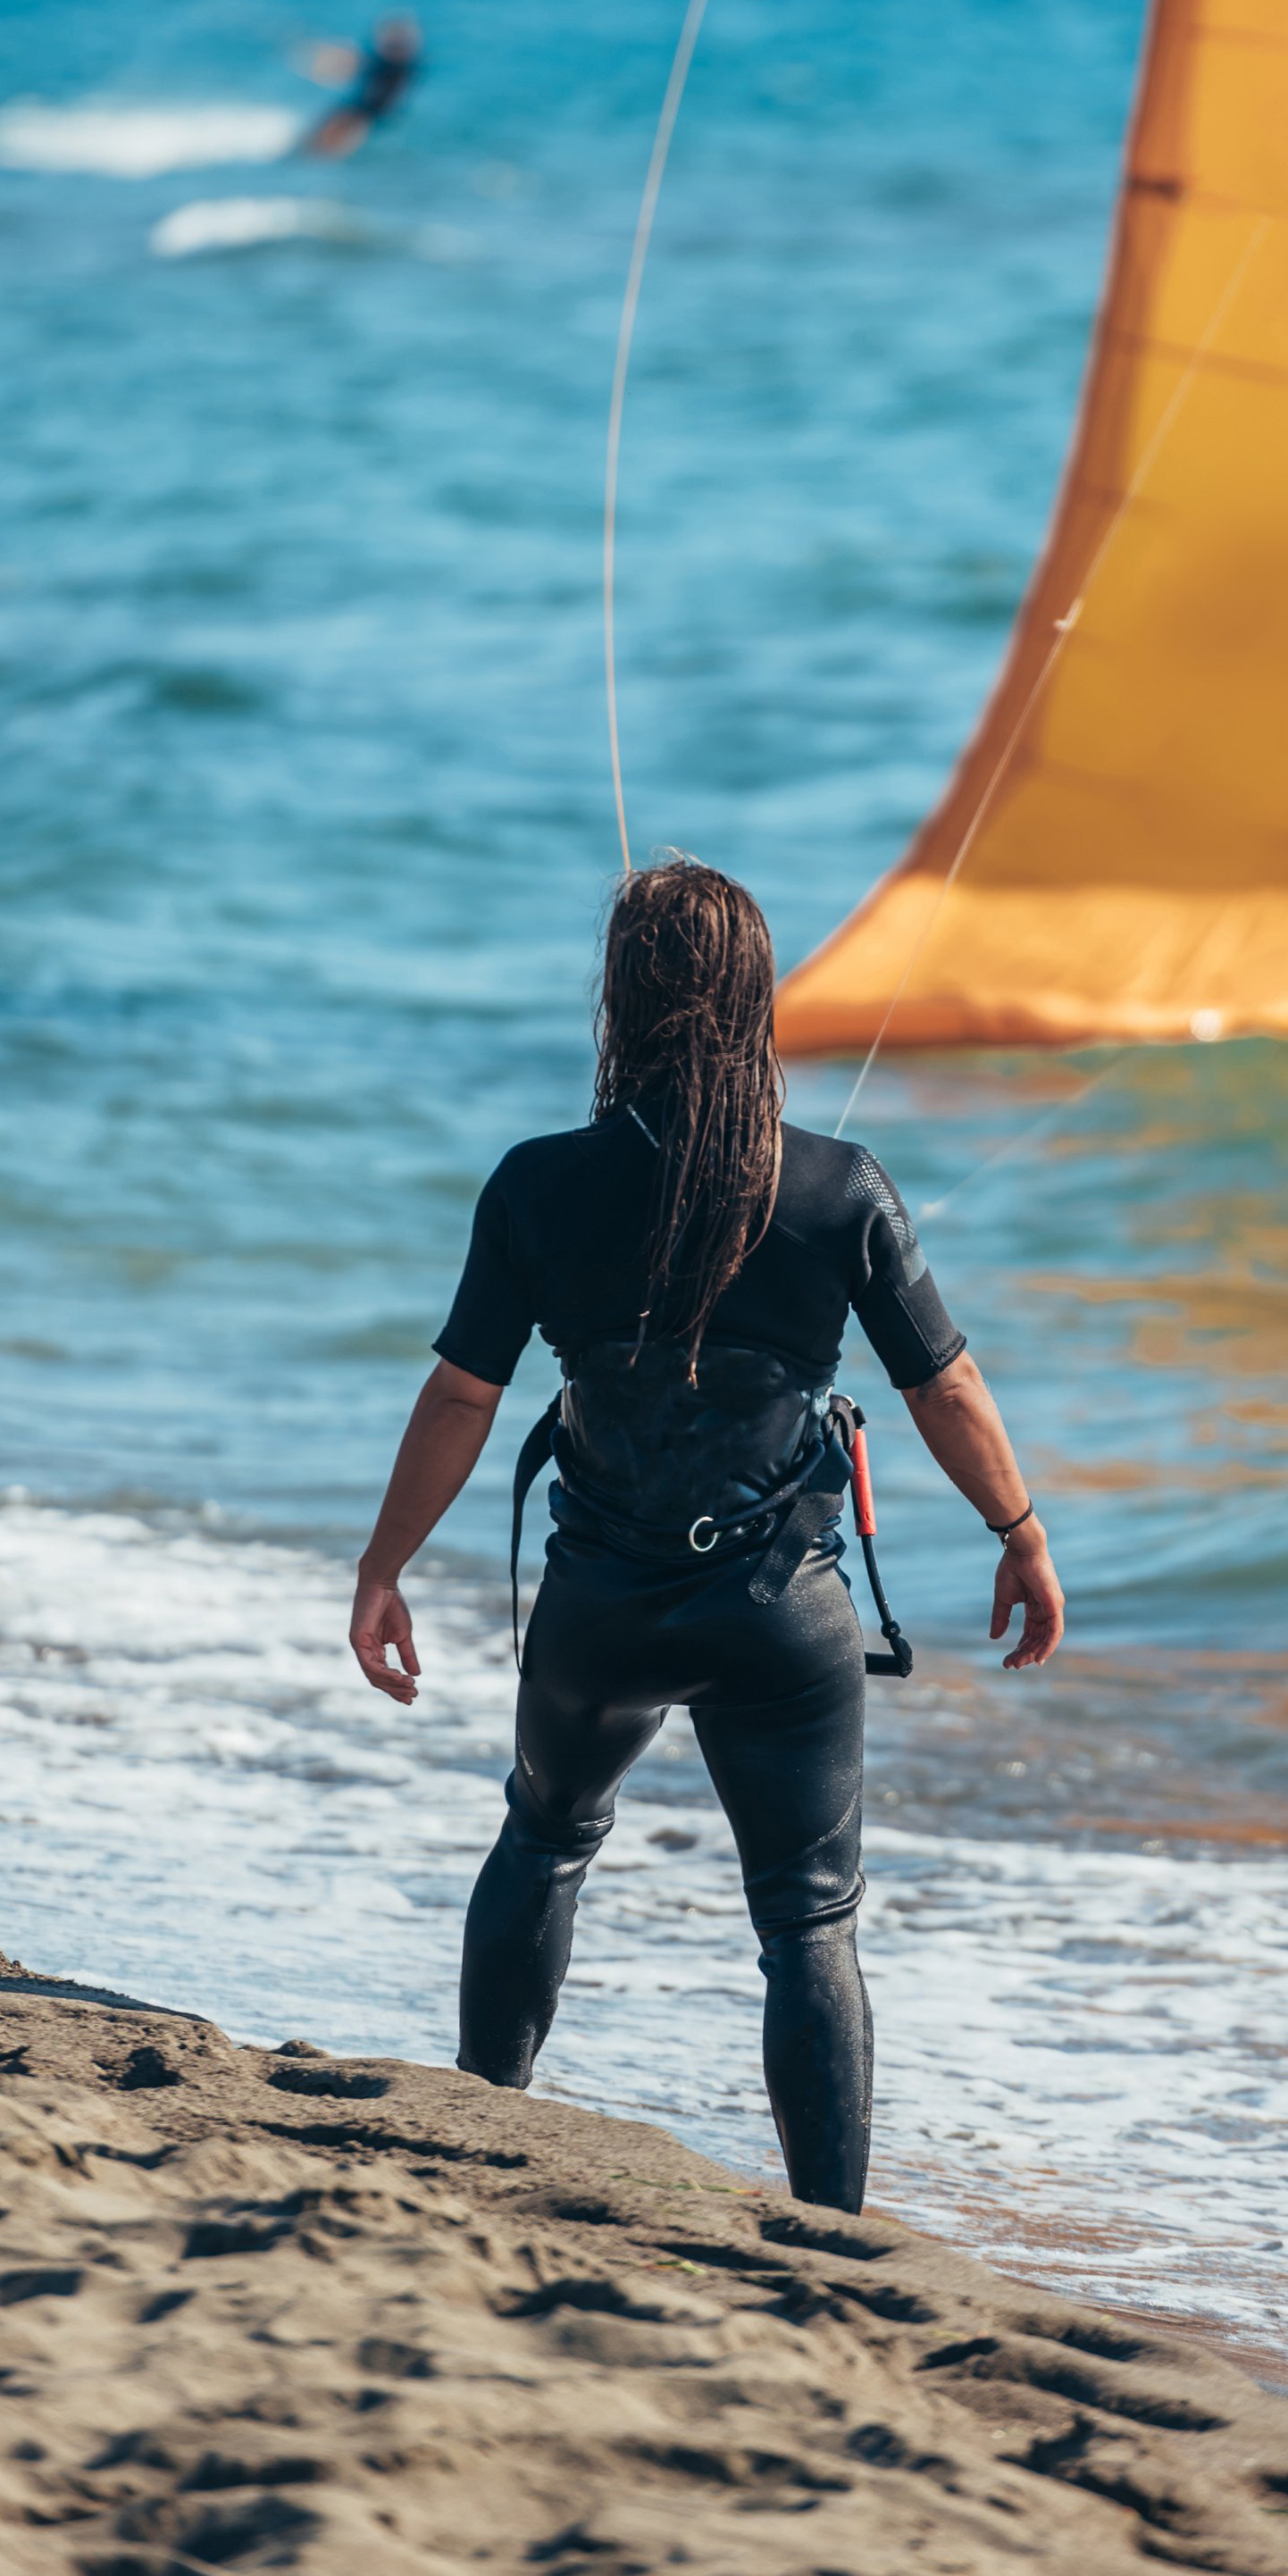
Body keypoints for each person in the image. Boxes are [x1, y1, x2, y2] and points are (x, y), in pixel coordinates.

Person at [349, 859, 1063, 2213]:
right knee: (808, 1921)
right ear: (757, 999)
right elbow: (943, 1383)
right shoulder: (844, 1188)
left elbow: (461, 1391)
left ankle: (481, 2130)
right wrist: (1018, 1529)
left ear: (620, 999)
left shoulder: (537, 1184)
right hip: (779, 1615)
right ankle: (832, 2230)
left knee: (546, 1835)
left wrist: (385, 1565)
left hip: (600, 1606)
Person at [298, 15, 422, 159]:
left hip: (364, 112)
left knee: (325, 148)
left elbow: (353, 63)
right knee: (319, 146)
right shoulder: (392, 63)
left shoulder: (393, 65)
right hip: (360, 109)